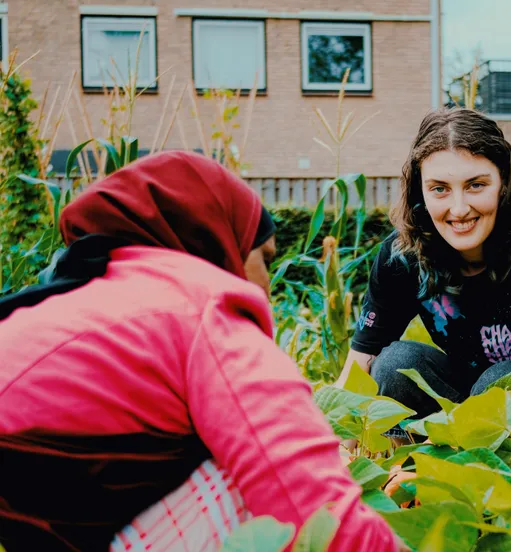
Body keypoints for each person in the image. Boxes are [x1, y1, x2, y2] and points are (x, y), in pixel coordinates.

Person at [0, 151, 399, 552]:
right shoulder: (204, 301)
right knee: (245, 471)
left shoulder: (97, 291)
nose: (268, 283)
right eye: (265, 258)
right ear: (222, 241)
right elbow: (316, 507)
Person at [336, 107, 511, 438]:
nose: (459, 208)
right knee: (396, 364)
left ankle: (474, 468)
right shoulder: (403, 257)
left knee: (503, 381)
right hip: (466, 396)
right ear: (420, 192)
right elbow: (357, 371)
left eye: (476, 185)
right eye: (440, 188)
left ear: (504, 184)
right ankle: (405, 470)